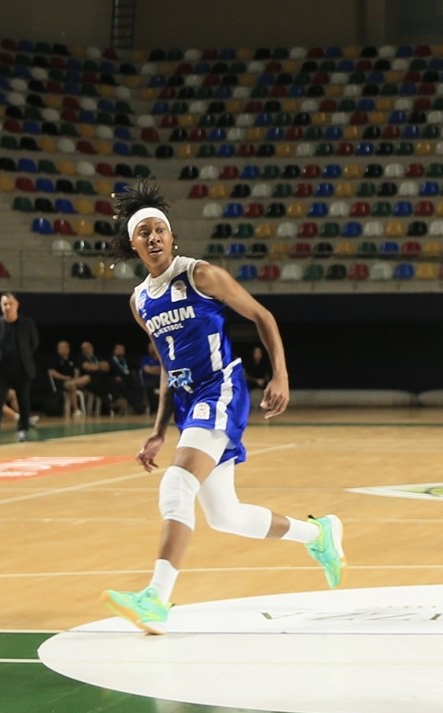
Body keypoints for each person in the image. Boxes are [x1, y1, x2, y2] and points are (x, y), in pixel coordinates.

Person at [101, 178, 345, 634]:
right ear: (132, 243)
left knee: (176, 485)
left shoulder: (200, 275)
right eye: (143, 232)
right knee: (225, 515)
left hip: (221, 389)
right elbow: (165, 365)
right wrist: (158, 428)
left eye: (159, 229)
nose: (153, 237)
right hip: (189, 400)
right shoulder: (139, 301)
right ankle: (320, 534)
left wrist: (280, 375)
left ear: (172, 236)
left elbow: (262, 316)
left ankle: (155, 598)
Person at [0, 292, 39, 444]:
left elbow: (34, 344)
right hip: (2, 370)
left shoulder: (27, 323)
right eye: (4, 304)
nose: (8, 307)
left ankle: (22, 430)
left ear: (17, 305)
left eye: (10, 304)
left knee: (23, 400)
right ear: (1, 306)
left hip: (23, 369)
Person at [48, 339, 91, 418]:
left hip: (73, 381)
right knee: (71, 385)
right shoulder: (54, 358)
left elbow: (76, 370)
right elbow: (52, 373)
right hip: (61, 383)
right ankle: (76, 409)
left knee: (87, 377)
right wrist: (65, 378)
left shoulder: (72, 359)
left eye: (62, 347)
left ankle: (75, 383)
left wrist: (75, 378)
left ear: (67, 349)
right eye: (59, 348)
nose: (60, 349)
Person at [107, 342, 143, 415]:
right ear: (114, 350)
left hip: (128, 379)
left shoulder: (126, 360)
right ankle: (135, 406)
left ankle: (139, 407)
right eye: (118, 349)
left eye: (122, 349)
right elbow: (108, 374)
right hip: (117, 381)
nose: (120, 351)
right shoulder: (110, 361)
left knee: (139, 387)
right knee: (123, 386)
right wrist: (114, 378)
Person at [79, 340, 112, 415]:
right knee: (98, 385)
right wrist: (100, 366)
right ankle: (106, 409)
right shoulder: (82, 358)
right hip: (89, 381)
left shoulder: (98, 357)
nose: (85, 350)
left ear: (91, 347)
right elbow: (88, 367)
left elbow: (107, 367)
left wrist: (96, 366)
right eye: (83, 349)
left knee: (110, 382)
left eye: (87, 347)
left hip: (102, 379)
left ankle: (111, 404)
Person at [140, 348, 162, 415]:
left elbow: (167, 369)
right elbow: (148, 370)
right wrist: (160, 370)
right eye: (150, 347)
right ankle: (153, 410)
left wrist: (154, 369)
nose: (151, 349)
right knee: (150, 388)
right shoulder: (145, 359)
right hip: (150, 381)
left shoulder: (162, 358)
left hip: (162, 381)